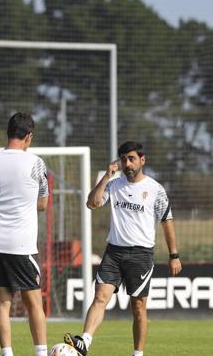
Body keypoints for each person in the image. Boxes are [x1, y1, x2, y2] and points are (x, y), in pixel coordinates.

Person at [64, 141, 182, 356]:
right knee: (100, 297)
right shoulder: (114, 184)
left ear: (142, 160)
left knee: (138, 308)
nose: (127, 164)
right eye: (124, 159)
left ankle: (138, 354)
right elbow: (92, 203)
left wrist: (174, 255)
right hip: (114, 252)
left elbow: (167, 222)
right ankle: (84, 342)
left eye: (132, 159)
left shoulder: (155, 189)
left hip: (141, 254)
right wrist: (106, 177)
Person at [0, 113, 49, 356]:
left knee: (1, 304)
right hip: (21, 244)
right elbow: (43, 204)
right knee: (34, 304)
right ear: (28, 136)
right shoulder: (36, 163)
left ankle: (6, 353)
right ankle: (41, 353)